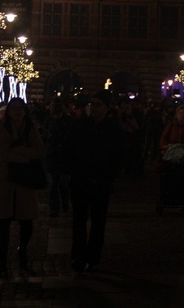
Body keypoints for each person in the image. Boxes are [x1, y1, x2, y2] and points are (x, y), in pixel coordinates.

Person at [65, 89, 124, 274]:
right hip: (80, 180)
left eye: (98, 105)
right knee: (79, 221)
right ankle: (78, 255)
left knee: (98, 222)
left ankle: (93, 257)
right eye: (92, 104)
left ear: (107, 107)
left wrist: (107, 176)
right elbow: (70, 150)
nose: (94, 108)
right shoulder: (80, 125)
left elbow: (118, 157)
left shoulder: (114, 128)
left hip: (101, 182)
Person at [0, 97, 45, 278]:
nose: (18, 112)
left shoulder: (31, 130)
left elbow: (40, 151)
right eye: (14, 108)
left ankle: (23, 253)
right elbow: (3, 154)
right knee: (2, 223)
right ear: (9, 112)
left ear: (25, 111)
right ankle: (2, 262)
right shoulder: (2, 130)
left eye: (21, 108)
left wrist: (18, 150)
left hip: (25, 182)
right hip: (4, 181)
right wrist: (26, 157)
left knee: (27, 223)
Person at [42, 99, 71, 217]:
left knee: (63, 185)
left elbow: (69, 138)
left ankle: (64, 205)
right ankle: (54, 207)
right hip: (51, 157)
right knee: (53, 185)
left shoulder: (68, 121)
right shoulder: (48, 120)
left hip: (64, 158)